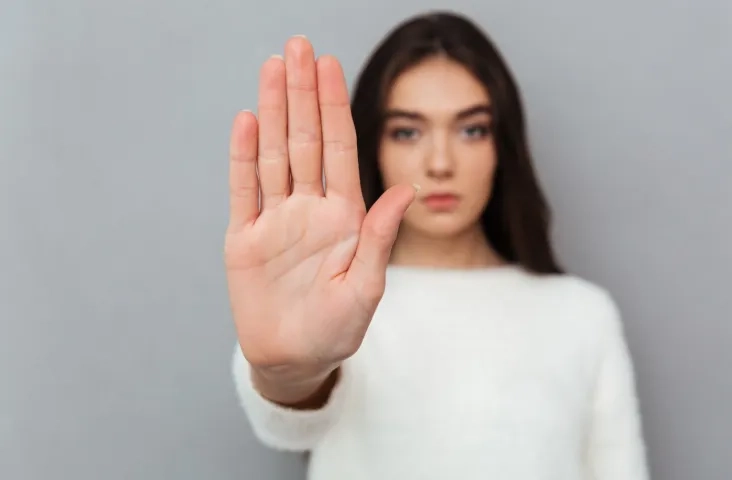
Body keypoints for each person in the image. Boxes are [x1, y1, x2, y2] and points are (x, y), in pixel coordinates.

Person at [224, 10, 649, 480]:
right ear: (375, 147)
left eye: (471, 129)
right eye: (407, 131)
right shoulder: (333, 300)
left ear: (501, 146)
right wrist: (287, 372)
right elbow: (289, 426)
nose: (441, 163)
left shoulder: (581, 315)